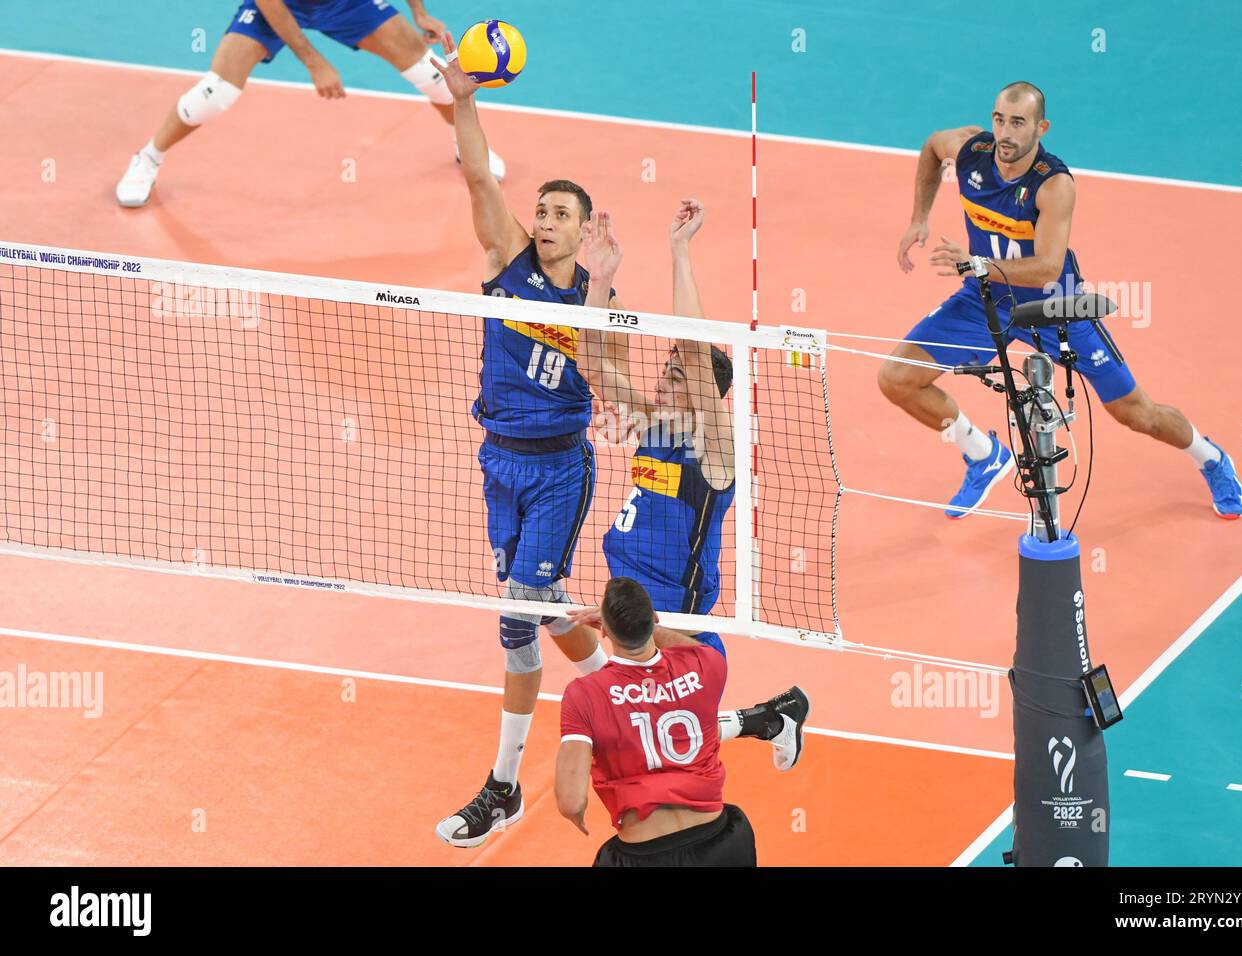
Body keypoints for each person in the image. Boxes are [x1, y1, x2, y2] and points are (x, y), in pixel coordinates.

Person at [879, 81, 1242, 519]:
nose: (1005, 133)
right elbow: (931, 149)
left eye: (1018, 123)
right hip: (986, 301)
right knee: (897, 377)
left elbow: (1047, 267)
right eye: (1000, 120)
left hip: (1055, 308)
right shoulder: (970, 151)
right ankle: (983, 454)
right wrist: (919, 218)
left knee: (1136, 413)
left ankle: (1210, 459)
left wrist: (975, 263)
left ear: (1041, 127)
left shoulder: (1054, 184)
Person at [429, 31, 622, 849]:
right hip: (497, 461)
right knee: (540, 607)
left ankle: (502, 786)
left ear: (583, 234)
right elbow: (478, 173)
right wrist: (464, 103)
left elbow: (609, 377)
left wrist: (607, 287)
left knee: (515, 616)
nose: (544, 220)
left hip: (557, 471)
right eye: (540, 209)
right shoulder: (506, 262)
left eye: (560, 214)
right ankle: (622, 686)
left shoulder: (595, 291)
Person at [575, 200, 809, 770]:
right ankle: (773, 717)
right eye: (667, 366)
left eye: (678, 372)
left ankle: (772, 718)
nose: (665, 373)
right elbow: (589, 361)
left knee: (656, 747)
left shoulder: (715, 450)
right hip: (632, 604)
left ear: (706, 391)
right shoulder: (654, 423)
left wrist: (680, 252)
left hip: (679, 625)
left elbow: (697, 350)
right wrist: (600, 281)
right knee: (647, 742)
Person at [114, 0, 505, 207]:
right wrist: (314, 61)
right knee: (215, 93)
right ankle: (147, 158)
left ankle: (464, 143)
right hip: (281, 4)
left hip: (346, 3)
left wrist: (418, 11)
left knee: (433, 75)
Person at [556, 577, 758, 866]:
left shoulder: (584, 694)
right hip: (722, 841)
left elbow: (571, 801)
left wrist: (575, 817)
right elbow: (690, 645)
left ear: (606, 632)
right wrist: (645, 625)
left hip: (645, 854)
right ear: (653, 618)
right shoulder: (708, 664)